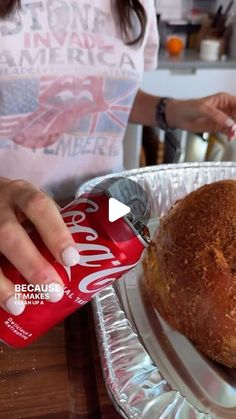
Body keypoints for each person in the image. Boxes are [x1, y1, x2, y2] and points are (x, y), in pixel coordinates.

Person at [0, 0, 236, 316]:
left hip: (107, 225)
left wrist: (170, 110)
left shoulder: (138, 4)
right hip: (13, 238)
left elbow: (110, 91)